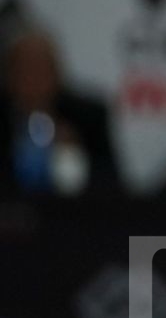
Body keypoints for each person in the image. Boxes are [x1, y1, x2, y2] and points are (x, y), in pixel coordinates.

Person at [1, 28, 120, 199]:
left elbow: (113, 191)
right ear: (9, 76)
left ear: (57, 74)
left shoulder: (87, 117)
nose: (34, 80)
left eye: (42, 69)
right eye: (25, 69)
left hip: (69, 218)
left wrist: (75, 155)